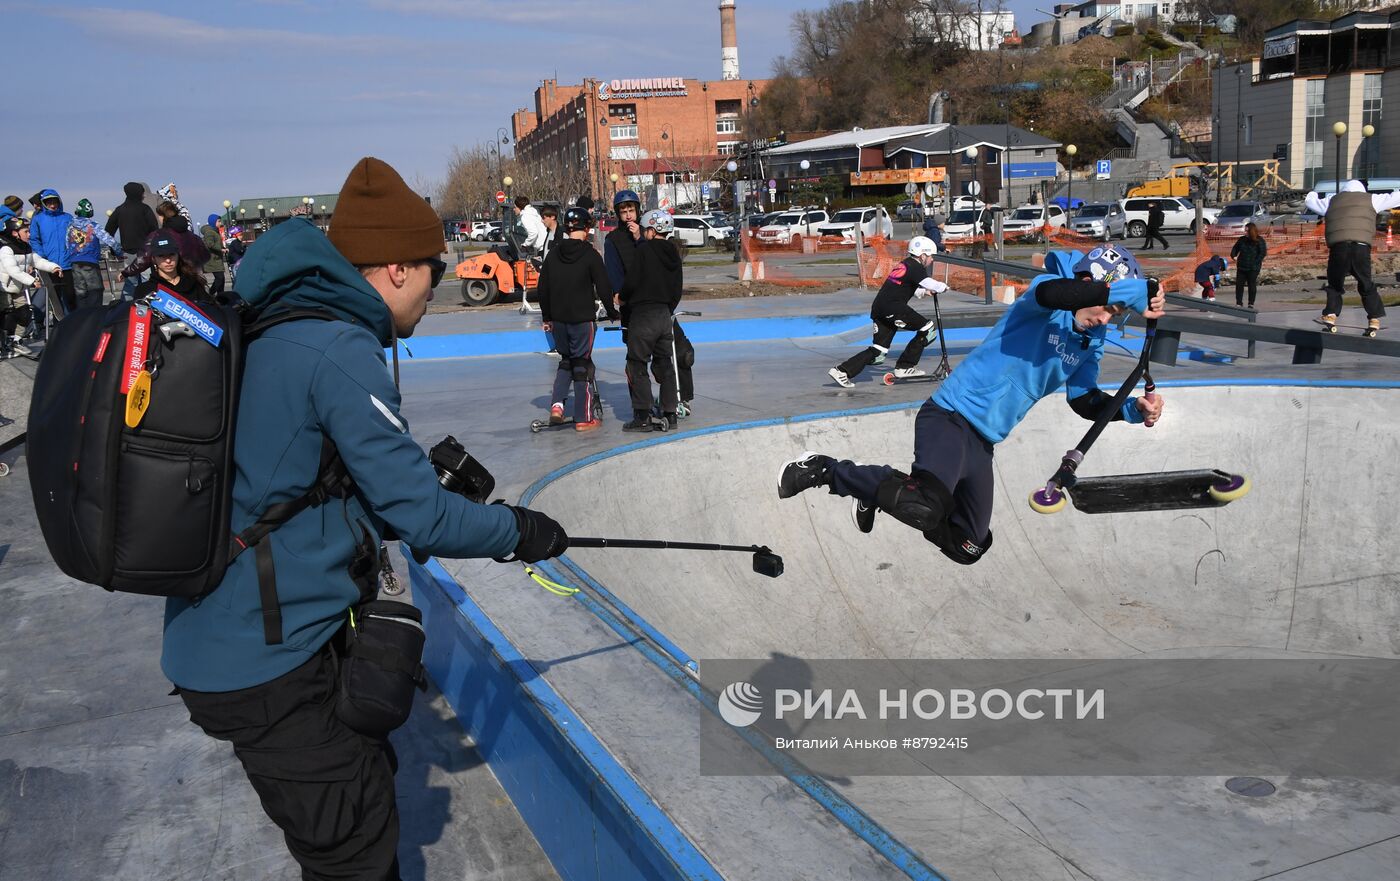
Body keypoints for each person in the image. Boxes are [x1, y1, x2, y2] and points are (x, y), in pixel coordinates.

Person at [165, 156, 569, 881]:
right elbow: (421, 515)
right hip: (262, 657)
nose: (435, 288)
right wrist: (521, 530)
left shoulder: (281, 319)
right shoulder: (339, 346)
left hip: (244, 632)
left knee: (361, 798)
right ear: (393, 270)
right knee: (355, 853)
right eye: (434, 272)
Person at [780, 246, 1165, 563]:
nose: (1104, 319)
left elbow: (1086, 401)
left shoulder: (1089, 345)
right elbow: (1057, 294)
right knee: (925, 505)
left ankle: (880, 491)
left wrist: (1132, 410)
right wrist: (1130, 291)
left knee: (969, 546)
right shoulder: (1047, 297)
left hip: (982, 444)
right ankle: (826, 470)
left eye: (1114, 314)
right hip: (949, 416)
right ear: (1088, 284)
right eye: (1107, 306)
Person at [538, 206, 618, 432]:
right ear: (587, 228)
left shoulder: (554, 254)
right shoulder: (590, 254)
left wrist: (547, 316)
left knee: (566, 362)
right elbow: (603, 286)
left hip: (559, 321)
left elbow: (543, 288)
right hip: (582, 320)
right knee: (581, 364)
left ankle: (556, 406)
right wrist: (611, 312)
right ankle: (583, 417)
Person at [828, 236, 945, 388]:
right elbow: (930, 283)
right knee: (928, 329)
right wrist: (943, 286)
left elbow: (902, 286)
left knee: (878, 353)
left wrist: (923, 292)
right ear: (922, 255)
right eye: (930, 256)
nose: (932, 260)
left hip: (881, 308)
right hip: (893, 308)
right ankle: (905, 366)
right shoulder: (915, 266)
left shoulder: (905, 265)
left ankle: (841, 371)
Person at [1305, 179, 1400, 334]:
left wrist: (1312, 191)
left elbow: (1310, 201)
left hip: (1339, 248)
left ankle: (1330, 315)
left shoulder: (1331, 201)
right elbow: (1395, 197)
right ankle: (1374, 318)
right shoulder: (1372, 199)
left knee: (1335, 284)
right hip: (1361, 249)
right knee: (1366, 283)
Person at [619, 209, 683, 431]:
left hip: (643, 314)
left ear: (652, 230)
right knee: (664, 362)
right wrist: (667, 309)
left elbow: (633, 279)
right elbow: (677, 287)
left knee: (636, 364)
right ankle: (670, 413)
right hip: (664, 315)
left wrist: (622, 297)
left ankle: (643, 416)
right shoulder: (674, 253)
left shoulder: (645, 251)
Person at [0, 216, 56, 356]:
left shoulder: (26, 247)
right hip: (4, 288)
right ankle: (3, 343)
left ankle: (16, 341)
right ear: (15, 233)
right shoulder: (6, 249)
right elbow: (12, 269)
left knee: (25, 313)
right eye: (26, 231)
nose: (29, 234)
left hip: (18, 286)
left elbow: (37, 261)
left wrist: (54, 267)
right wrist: (31, 281)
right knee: (4, 316)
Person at [67, 198, 123, 309]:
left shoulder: (70, 226)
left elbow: (67, 243)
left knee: (81, 293)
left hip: (74, 262)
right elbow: (108, 239)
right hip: (90, 261)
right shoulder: (92, 225)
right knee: (95, 291)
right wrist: (118, 251)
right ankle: (95, 318)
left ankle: (81, 318)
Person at [107, 182, 159, 300]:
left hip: (127, 251)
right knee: (147, 282)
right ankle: (150, 305)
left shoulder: (119, 210)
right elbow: (155, 230)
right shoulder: (145, 209)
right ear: (139, 193)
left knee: (131, 283)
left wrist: (115, 250)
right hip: (145, 252)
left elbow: (108, 232)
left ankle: (126, 309)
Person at [28, 189, 76, 314]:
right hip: (49, 265)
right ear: (44, 203)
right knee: (54, 299)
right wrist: (42, 257)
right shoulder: (38, 219)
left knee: (71, 296)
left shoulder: (67, 217)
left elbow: (76, 238)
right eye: (49, 203)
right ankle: (58, 325)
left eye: (55, 202)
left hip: (67, 264)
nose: (53, 205)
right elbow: (34, 239)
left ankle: (73, 324)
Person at [133, 234, 208, 302]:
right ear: (153, 259)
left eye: (171, 254)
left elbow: (209, 309)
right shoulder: (144, 290)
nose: (168, 260)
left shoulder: (193, 284)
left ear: (178, 256)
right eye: (161, 256)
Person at [1230, 223, 1266, 308]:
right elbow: (1235, 248)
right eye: (1245, 230)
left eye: (1247, 230)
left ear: (1251, 231)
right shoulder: (1242, 240)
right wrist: (1233, 255)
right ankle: (1239, 302)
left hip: (1253, 267)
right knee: (1239, 284)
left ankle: (1251, 303)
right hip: (1242, 266)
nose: (1245, 232)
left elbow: (1262, 253)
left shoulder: (1259, 240)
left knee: (1251, 284)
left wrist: (1255, 262)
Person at [202, 214, 228, 295]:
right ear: (213, 222)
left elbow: (217, 243)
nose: (220, 223)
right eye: (218, 221)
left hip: (216, 259)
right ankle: (210, 293)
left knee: (221, 279)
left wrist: (223, 247)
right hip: (212, 260)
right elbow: (210, 244)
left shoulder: (214, 231)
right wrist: (221, 249)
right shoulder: (209, 232)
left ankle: (221, 295)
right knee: (219, 278)